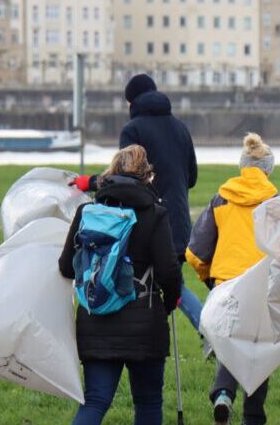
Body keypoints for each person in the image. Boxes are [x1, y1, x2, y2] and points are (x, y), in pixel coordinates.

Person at [57, 145, 182, 425]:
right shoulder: (154, 213)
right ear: (147, 175)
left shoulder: (86, 212)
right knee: (147, 400)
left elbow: (67, 267)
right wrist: (170, 300)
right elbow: (169, 269)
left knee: (95, 398)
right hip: (144, 319)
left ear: (110, 172)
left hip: (96, 319)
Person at [73, 74, 201, 331]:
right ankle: (210, 330)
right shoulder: (180, 127)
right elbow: (192, 178)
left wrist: (90, 182)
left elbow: (123, 178)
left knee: (140, 280)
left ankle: (208, 330)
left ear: (131, 102)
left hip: (144, 221)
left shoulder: (133, 130)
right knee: (173, 281)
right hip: (178, 220)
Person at [186, 133, 278, 425]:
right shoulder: (274, 202)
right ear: (268, 168)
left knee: (229, 347)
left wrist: (210, 279)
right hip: (262, 286)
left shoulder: (221, 198)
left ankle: (223, 395)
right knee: (259, 353)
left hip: (226, 284)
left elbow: (196, 252)